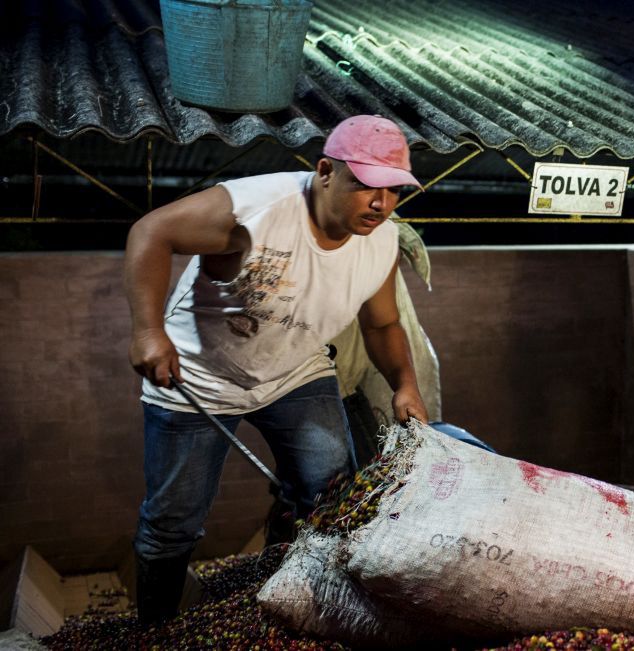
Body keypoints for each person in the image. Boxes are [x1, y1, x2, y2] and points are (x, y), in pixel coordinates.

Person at [123, 115, 428, 624]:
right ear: (326, 171)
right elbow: (150, 232)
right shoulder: (256, 208)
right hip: (198, 377)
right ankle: (154, 627)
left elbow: (382, 325)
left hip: (295, 372)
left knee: (329, 494)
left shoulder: (382, 240)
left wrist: (406, 383)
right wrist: (148, 332)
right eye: (368, 188)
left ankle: (297, 598)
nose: (381, 204)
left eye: (394, 190)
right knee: (174, 520)